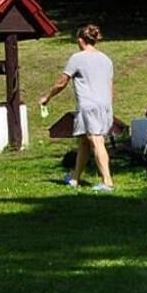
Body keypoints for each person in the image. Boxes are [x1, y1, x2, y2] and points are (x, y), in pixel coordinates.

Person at [41, 24, 115, 192]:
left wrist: (47, 97)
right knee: (84, 141)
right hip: (105, 105)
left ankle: (107, 181)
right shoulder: (106, 59)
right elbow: (110, 86)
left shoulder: (77, 58)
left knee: (96, 141)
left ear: (81, 40)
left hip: (88, 106)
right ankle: (75, 178)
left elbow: (62, 82)